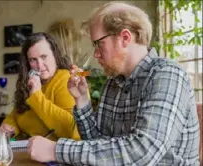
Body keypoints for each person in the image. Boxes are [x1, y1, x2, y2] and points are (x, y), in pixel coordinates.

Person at [27, 2, 200, 165]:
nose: (95, 54)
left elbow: (142, 152)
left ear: (124, 37)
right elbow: (98, 146)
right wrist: (82, 101)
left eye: (99, 44)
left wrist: (56, 149)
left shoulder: (167, 75)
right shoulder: (113, 82)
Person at [0, 32, 80, 141]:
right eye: (33, 60)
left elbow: (69, 130)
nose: (39, 65)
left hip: (57, 154)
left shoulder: (66, 79)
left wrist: (36, 96)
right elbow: (16, 114)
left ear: (55, 55)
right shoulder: (32, 82)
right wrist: (9, 127)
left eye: (44, 57)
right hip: (27, 150)